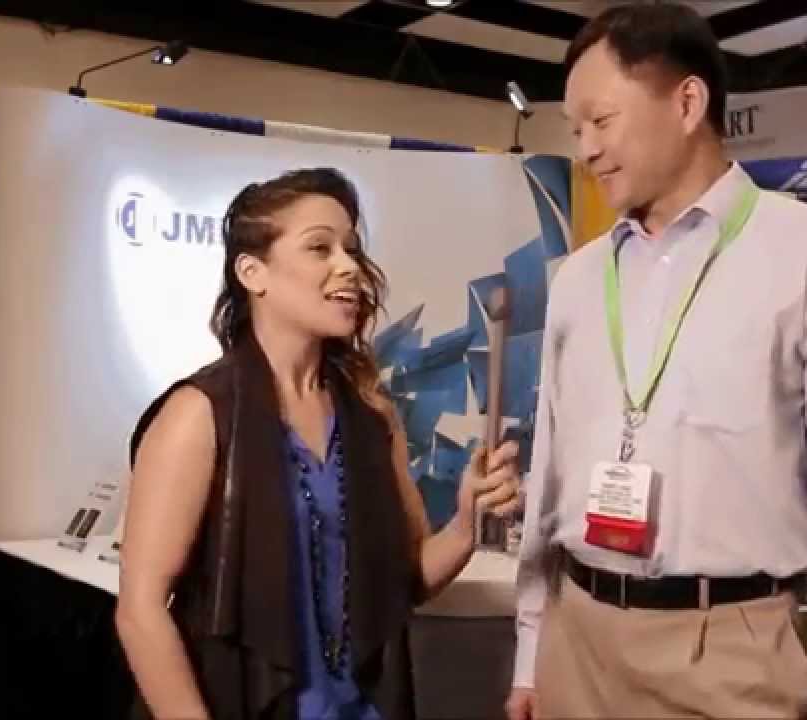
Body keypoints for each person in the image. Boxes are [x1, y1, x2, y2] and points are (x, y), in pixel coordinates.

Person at [505, 5, 807, 720]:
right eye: (575, 131)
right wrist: (532, 648)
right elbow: (551, 478)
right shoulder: (578, 278)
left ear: (687, 102)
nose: (587, 149)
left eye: (601, 121)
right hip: (577, 644)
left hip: (727, 654)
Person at [117, 167, 521, 720]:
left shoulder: (373, 415)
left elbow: (407, 582)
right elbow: (140, 611)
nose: (348, 266)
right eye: (319, 248)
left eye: (351, 248)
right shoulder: (197, 415)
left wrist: (466, 524)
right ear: (252, 272)